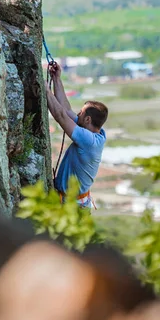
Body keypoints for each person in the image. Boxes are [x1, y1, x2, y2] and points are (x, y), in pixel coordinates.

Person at [45, 62, 108, 211]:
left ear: (88, 120)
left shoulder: (89, 141)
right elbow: (66, 110)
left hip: (73, 206)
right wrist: (56, 78)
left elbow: (60, 115)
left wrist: (45, 90)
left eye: (81, 113)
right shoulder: (93, 132)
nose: (77, 114)